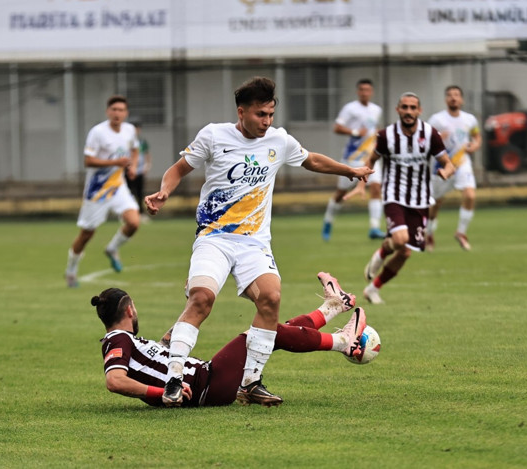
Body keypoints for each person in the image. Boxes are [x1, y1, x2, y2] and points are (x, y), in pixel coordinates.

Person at [144, 77, 373, 407]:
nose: (267, 122)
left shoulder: (278, 140)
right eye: (260, 115)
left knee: (271, 297)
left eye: (270, 114)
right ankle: (173, 377)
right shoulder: (213, 135)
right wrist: (165, 191)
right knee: (201, 299)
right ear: (241, 112)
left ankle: (251, 382)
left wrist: (348, 170)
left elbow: (311, 159)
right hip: (215, 238)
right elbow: (179, 169)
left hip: (254, 242)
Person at [96, 273, 366, 407]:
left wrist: (192, 303)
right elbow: (114, 381)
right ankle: (343, 341)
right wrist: (163, 394)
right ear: (130, 310)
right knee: (260, 333)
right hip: (208, 383)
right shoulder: (117, 339)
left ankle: (333, 307)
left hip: (210, 380)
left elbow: (168, 344)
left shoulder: (130, 343)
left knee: (269, 331)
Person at [350, 92, 455, 305]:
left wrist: (447, 171)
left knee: (405, 253)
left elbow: (448, 162)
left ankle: (372, 289)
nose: (408, 112)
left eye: (412, 108)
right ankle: (381, 253)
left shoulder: (430, 134)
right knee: (400, 240)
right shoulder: (386, 135)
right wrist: (362, 185)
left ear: (419, 111)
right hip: (394, 196)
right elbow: (371, 160)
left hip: (421, 199)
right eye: (404, 107)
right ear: (398, 110)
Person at [65, 95, 140, 288]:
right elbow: (88, 161)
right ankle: (71, 271)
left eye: (121, 110)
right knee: (87, 233)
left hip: (118, 187)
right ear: (108, 112)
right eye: (114, 109)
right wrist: (115, 162)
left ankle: (112, 249)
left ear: (126, 113)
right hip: (97, 190)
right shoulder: (97, 132)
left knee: (133, 222)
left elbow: (134, 148)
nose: (117, 113)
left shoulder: (129, 130)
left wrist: (132, 167)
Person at [322, 78, 384, 242]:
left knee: (376, 188)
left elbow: (373, 129)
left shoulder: (376, 110)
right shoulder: (350, 108)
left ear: (371, 92)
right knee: (341, 193)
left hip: (370, 158)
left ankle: (374, 227)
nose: (365, 93)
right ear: (358, 92)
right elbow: (337, 127)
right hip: (352, 158)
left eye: (368, 90)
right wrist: (356, 132)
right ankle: (328, 221)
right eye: (362, 90)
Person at [424, 86, 481, 251]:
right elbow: (424, 140)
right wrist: (438, 138)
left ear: (461, 99)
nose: (453, 98)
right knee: (434, 205)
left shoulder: (470, 119)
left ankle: (461, 233)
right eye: (449, 95)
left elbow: (477, 136)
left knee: (470, 195)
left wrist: (474, 145)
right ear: (445, 99)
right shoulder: (437, 120)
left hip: (462, 163)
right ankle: (429, 235)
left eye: (456, 95)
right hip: (442, 166)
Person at [125, 120, 151, 222]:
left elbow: (147, 155)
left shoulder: (142, 142)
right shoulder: (126, 141)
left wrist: (147, 166)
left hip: (139, 171)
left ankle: (141, 213)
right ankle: (127, 215)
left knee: (140, 193)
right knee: (128, 193)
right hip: (128, 171)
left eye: (138, 128)